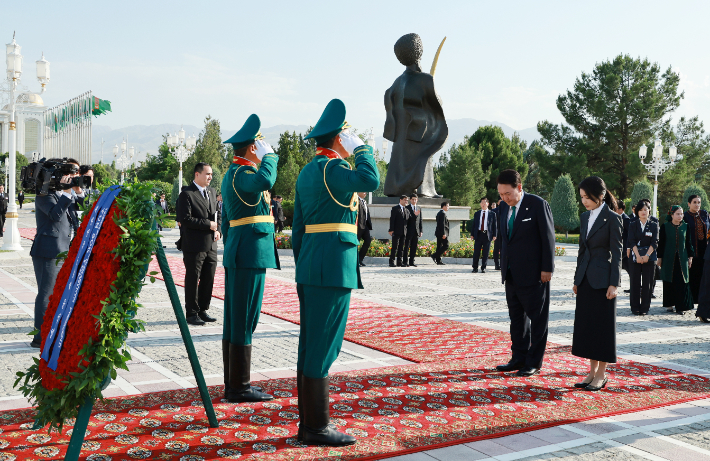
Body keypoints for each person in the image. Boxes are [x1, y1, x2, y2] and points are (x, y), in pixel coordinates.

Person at [293, 99, 379, 446]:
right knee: (324, 346)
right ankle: (317, 427)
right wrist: (362, 148)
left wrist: (305, 263)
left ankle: (309, 422)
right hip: (333, 268)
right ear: (339, 138)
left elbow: (298, 229)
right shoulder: (332, 169)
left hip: (312, 265)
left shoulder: (306, 171)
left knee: (310, 344)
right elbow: (370, 179)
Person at [221, 113, 279, 403]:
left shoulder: (231, 174)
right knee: (244, 318)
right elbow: (267, 179)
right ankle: (239, 387)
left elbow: (225, 221)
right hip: (249, 253)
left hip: (239, 250)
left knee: (236, 318)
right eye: (259, 145)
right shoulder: (243, 175)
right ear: (252, 148)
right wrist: (271, 156)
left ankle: (234, 384)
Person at [495, 169, 555, 377]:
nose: (504, 198)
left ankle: (534, 362)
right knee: (517, 320)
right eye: (501, 194)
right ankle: (518, 357)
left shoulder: (538, 205)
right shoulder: (503, 207)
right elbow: (504, 238)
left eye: (508, 194)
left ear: (519, 188)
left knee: (538, 320)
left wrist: (547, 268)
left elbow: (548, 238)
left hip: (535, 274)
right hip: (511, 274)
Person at [572, 176, 622, 391]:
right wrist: (576, 279)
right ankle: (591, 372)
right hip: (585, 280)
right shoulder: (584, 217)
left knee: (602, 329)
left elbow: (617, 253)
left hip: (603, 282)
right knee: (588, 328)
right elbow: (582, 251)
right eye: (582, 197)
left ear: (600, 196)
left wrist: (614, 283)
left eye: (588, 197)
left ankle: (601, 374)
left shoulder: (612, 218)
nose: (584, 201)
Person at [29, 159, 85, 348]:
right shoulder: (44, 195)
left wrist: (77, 192)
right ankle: (39, 337)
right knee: (46, 294)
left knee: (57, 293)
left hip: (62, 251)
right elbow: (55, 215)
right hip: (47, 251)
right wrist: (67, 193)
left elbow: (79, 209)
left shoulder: (62, 195)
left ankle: (53, 331)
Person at [176, 162, 222, 326]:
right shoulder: (187, 194)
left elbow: (217, 215)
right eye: (207, 174)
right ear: (197, 174)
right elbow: (185, 219)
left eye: (211, 174)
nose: (210, 177)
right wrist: (208, 225)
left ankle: (203, 309)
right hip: (194, 245)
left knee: (208, 278)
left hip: (211, 244)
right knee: (193, 278)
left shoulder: (212, 191)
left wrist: (218, 230)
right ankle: (191, 313)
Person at [658, 205, 694, 314]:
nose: (680, 216)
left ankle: (681, 307)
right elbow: (661, 244)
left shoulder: (686, 226)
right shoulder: (665, 226)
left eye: (682, 214)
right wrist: (659, 258)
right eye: (678, 214)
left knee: (681, 282)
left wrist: (690, 258)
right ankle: (669, 304)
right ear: (672, 214)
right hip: (668, 258)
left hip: (682, 259)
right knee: (669, 280)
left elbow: (689, 243)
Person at [627, 200, 658, 316]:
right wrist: (638, 256)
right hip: (636, 257)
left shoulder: (654, 225)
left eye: (645, 209)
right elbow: (631, 241)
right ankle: (635, 307)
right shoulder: (633, 224)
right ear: (637, 212)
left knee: (647, 283)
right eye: (641, 210)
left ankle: (645, 307)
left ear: (649, 210)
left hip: (649, 258)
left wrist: (647, 256)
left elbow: (655, 242)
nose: (643, 212)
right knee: (634, 282)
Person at [684, 195, 709, 303]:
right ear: (689, 204)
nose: (697, 204)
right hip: (691, 249)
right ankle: (691, 299)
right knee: (692, 274)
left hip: (705, 249)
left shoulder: (704, 214)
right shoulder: (685, 216)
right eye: (694, 202)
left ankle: (700, 299)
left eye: (699, 202)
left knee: (703, 274)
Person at [470, 197, 497, 273]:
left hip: (487, 235)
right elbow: (474, 225)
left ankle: (483, 267)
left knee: (485, 253)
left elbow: (495, 225)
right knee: (476, 252)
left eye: (484, 203)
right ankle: (475, 267)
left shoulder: (492, 214)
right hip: (478, 234)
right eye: (482, 203)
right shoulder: (477, 213)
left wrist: (495, 235)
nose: (483, 204)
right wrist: (472, 234)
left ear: (488, 204)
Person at [388, 195, 410, 267]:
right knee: (395, 247)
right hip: (396, 231)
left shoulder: (406, 210)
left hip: (404, 231)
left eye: (407, 200)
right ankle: (391, 262)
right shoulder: (395, 208)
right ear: (400, 200)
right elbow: (392, 220)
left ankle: (399, 262)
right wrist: (391, 229)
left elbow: (408, 220)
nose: (406, 201)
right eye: (405, 200)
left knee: (401, 247)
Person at [405, 193, 423, 267]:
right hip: (409, 230)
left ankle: (412, 261)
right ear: (410, 200)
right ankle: (405, 262)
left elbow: (420, 220)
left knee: (414, 247)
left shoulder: (419, 208)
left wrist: (421, 230)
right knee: (406, 246)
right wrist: (414, 215)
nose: (414, 201)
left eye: (415, 199)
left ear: (417, 200)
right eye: (413, 199)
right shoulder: (407, 208)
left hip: (416, 231)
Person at [357, 192, 372, 267]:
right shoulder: (356, 200)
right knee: (356, 243)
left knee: (368, 241)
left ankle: (360, 259)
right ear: (359, 192)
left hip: (365, 225)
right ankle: (355, 261)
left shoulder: (364, 201)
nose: (365, 193)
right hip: (358, 226)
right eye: (364, 192)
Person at [492, 199, 503, 270]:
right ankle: (496, 264)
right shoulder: (494, 211)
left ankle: (503, 264)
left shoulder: (509, 209)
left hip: (506, 233)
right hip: (497, 233)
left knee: (504, 250)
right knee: (496, 249)